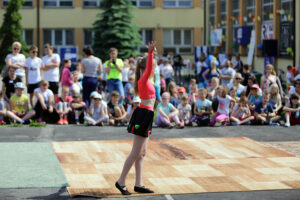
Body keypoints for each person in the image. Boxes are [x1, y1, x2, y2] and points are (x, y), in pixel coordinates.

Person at [116, 42, 156, 195]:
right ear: (146, 67)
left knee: (142, 153)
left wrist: (153, 54)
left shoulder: (148, 79)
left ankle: (138, 183)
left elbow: (152, 67)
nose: (154, 68)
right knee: (135, 152)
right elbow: (150, 68)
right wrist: (151, 54)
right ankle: (121, 182)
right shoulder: (143, 79)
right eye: (152, 65)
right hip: (143, 115)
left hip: (148, 115)